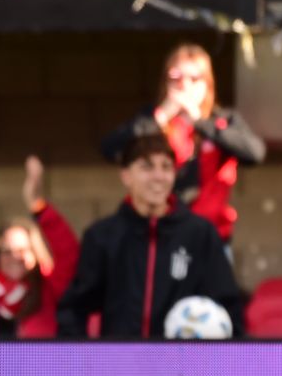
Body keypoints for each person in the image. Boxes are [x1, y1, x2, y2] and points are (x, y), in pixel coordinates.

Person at [57, 134, 245, 338]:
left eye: (166, 167)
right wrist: (78, 362)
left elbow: (228, 308)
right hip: (122, 364)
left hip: (180, 366)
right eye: (147, 167)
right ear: (126, 175)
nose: (158, 176)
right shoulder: (102, 235)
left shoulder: (200, 234)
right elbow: (75, 308)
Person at [101, 43, 266, 243]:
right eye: (176, 78)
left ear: (207, 84)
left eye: (194, 79)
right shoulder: (153, 119)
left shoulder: (222, 120)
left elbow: (255, 154)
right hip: (159, 234)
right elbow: (110, 149)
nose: (184, 86)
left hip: (210, 235)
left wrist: (200, 122)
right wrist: (160, 118)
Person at [0, 155, 79, 338]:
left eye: (23, 250)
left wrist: (38, 204)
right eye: (7, 251)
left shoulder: (48, 288)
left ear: (36, 254)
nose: (15, 257)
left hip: (36, 367)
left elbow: (69, 254)